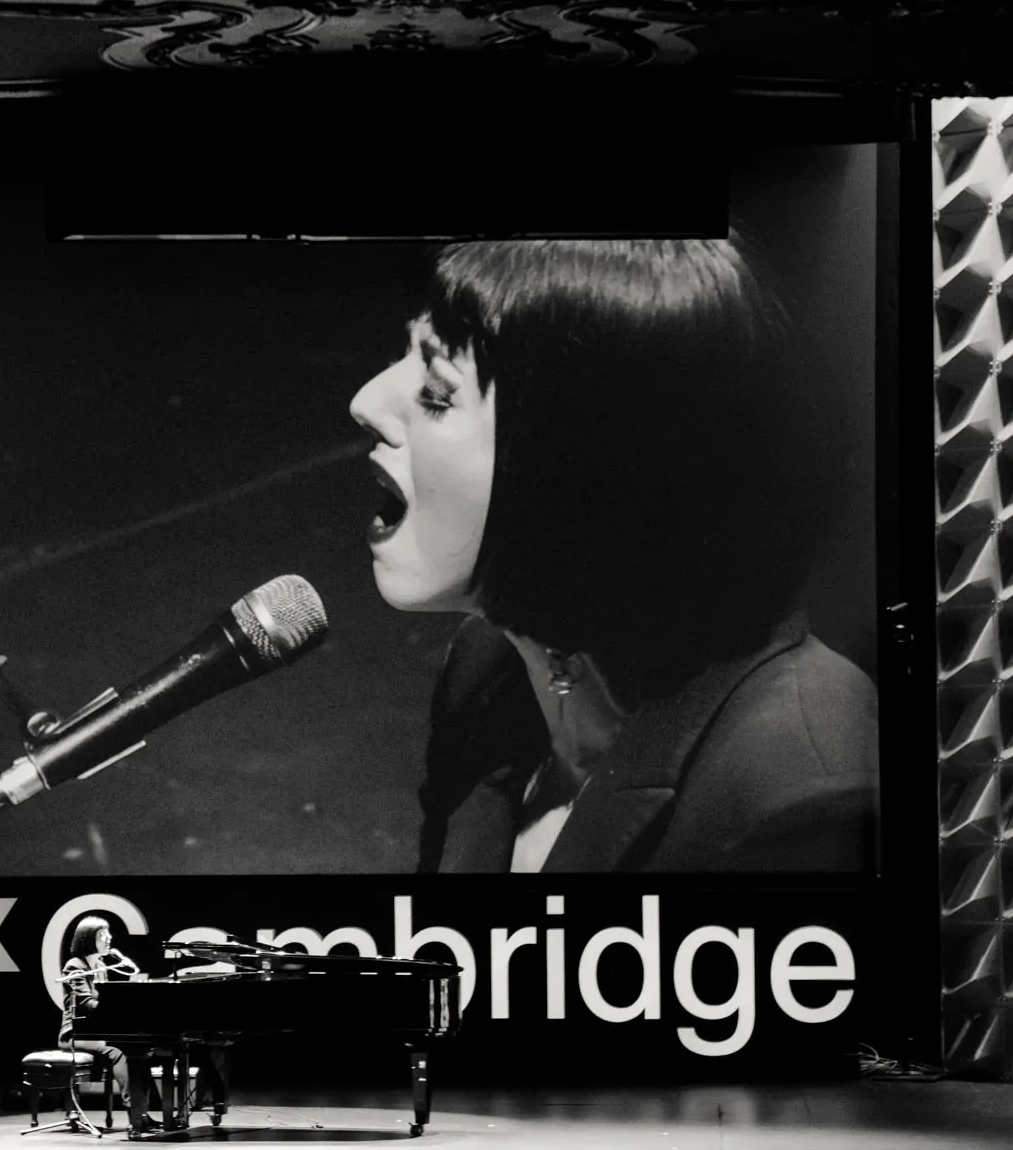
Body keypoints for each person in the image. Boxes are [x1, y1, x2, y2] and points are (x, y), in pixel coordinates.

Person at [349, 238, 877, 874]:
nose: (366, 402)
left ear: (587, 464)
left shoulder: (792, 794)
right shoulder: (487, 667)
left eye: (437, 390)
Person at [60, 914, 159, 1131]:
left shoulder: (101, 965)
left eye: (108, 934)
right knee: (119, 1052)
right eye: (102, 935)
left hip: (98, 1032)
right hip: (75, 1034)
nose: (108, 938)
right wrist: (116, 1009)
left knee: (141, 1051)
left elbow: (104, 1002)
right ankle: (134, 1115)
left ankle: (143, 1112)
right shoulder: (74, 966)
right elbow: (86, 1004)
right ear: (87, 938)